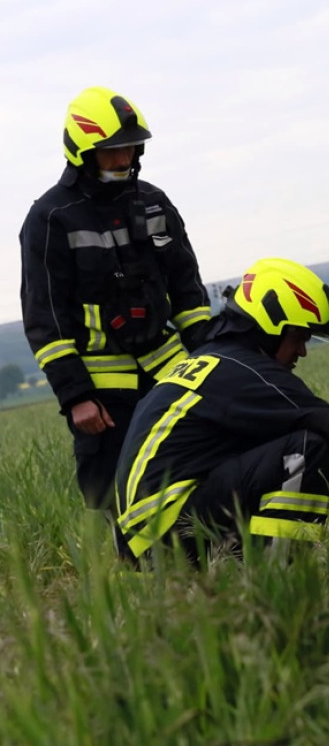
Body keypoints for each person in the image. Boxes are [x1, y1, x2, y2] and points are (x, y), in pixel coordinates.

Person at [114, 257, 329, 562]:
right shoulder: (245, 369)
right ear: (270, 327)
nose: (303, 351)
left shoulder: (216, 361)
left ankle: (236, 575)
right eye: (298, 337)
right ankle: (278, 581)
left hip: (146, 536)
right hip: (169, 530)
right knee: (308, 449)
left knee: (301, 457)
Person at [19, 86, 211, 528]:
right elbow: (44, 316)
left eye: (129, 149)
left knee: (194, 471)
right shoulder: (51, 218)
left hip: (170, 372)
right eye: (111, 152)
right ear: (82, 153)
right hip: (102, 393)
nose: (123, 160)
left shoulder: (155, 201)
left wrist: (206, 356)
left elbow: (186, 286)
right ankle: (144, 581)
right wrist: (76, 396)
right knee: (119, 495)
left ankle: (206, 565)